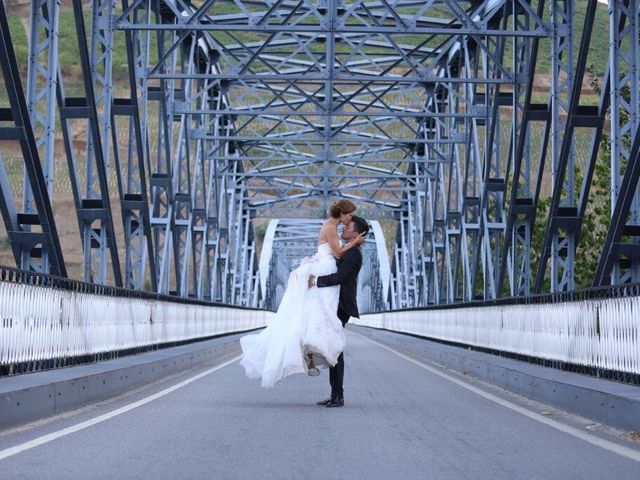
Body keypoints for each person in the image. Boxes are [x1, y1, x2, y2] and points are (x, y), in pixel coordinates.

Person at [239, 200, 366, 388]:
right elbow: (338, 253)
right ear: (341, 213)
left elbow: (339, 264)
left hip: (328, 279)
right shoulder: (331, 227)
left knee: (320, 324)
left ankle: (322, 373)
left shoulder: (342, 239)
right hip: (325, 273)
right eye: (348, 216)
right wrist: (354, 242)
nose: (349, 219)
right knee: (320, 324)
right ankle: (317, 366)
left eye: (350, 220)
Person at [308, 215, 369, 408]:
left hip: (341, 306)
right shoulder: (348, 251)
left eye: (348, 226)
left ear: (356, 233)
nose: (344, 227)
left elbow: (340, 277)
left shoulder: (353, 254)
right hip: (336, 304)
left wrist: (317, 281)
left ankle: (338, 396)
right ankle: (334, 394)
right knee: (332, 349)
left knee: (336, 350)